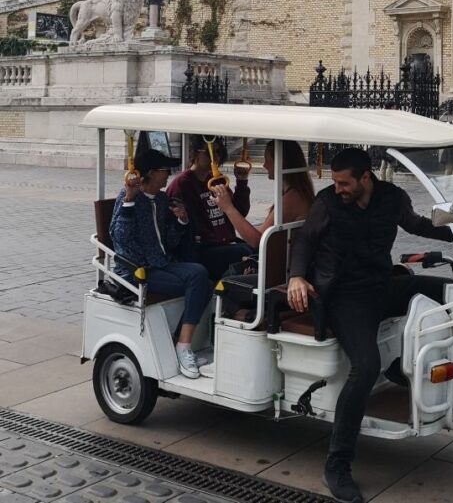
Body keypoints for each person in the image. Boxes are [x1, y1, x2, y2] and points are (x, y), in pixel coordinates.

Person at [286, 148, 453, 503]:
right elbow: (305, 240)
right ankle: (338, 465)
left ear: (366, 178)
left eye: (344, 182)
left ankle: (402, 368)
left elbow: (416, 224)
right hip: (344, 297)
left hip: (381, 285)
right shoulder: (327, 203)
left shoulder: (392, 198)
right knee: (365, 367)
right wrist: (297, 277)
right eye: (335, 182)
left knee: (451, 293)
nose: (338, 188)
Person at [110, 149, 213, 379]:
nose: (169, 176)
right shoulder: (128, 198)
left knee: (205, 283)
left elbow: (169, 240)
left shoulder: (161, 198)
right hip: (137, 270)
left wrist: (181, 219)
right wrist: (128, 200)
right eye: (165, 171)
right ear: (151, 173)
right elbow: (120, 238)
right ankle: (183, 346)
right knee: (198, 276)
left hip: (161, 264)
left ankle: (180, 343)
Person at [166, 135, 252, 281]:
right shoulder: (182, 185)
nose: (215, 158)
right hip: (200, 249)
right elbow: (191, 226)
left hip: (223, 244)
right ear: (194, 154)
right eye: (209, 153)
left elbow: (239, 212)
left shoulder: (216, 180)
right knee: (243, 252)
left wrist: (242, 182)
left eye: (218, 152)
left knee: (255, 250)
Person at [210, 140, 314, 248]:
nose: (264, 165)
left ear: (280, 162)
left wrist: (228, 208)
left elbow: (258, 240)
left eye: (267, 160)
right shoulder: (296, 193)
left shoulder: (292, 198)